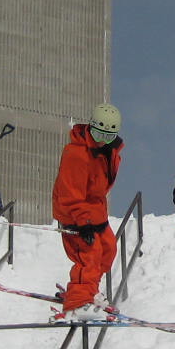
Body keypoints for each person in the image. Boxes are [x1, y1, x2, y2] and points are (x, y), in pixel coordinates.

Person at [50, 102, 123, 322]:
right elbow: (70, 193)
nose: (103, 140)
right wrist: (83, 222)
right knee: (88, 256)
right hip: (75, 214)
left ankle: (89, 290)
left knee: (108, 250)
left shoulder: (104, 153)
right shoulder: (77, 154)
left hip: (95, 213)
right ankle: (78, 302)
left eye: (108, 137)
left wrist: (95, 217)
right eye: (99, 134)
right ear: (91, 128)